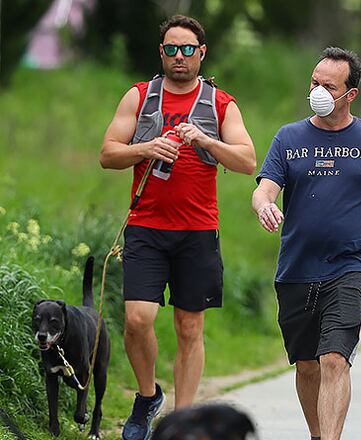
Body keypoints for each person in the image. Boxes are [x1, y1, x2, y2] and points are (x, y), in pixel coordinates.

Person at [99, 15, 256, 440]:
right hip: (145, 226)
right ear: (162, 53)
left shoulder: (220, 103)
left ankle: (181, 423)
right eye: (171, 49)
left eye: (188, 49)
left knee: (190, 327)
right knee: (137, 318)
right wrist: (145, 147)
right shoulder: (139, 96)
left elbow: (247, 161)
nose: (179, 57)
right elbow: (108, 154)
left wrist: (206, 141)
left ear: (202, 53)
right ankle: (148, 396)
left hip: (198, 231)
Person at [252, 47, 361, 440]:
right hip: (297, 268)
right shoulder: (289, 137)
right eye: (314, 82)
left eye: (328, 86)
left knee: (335, 359)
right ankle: (318, 434)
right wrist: (264, 205)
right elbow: (264, 188)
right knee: (307, 365)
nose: (318, 90)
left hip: (350, 267)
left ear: (350, 94)